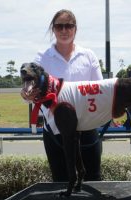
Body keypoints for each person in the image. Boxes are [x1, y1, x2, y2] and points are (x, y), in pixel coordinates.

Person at [34, 9, 103, 182]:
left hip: (87, 127)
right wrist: (26, 93)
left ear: (75, 29)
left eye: (69, 26)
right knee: (61, 180)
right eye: (59, 26)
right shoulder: (41, 58)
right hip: (54, 129)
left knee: (93, 179)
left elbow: (100, 89)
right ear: (53, 29)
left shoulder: (88, 56)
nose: (64, 30)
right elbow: (31, 89)